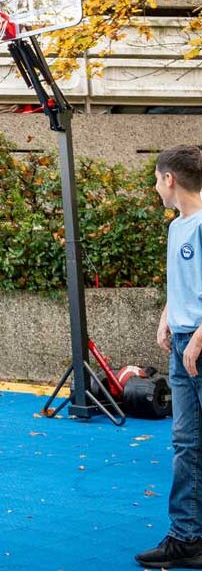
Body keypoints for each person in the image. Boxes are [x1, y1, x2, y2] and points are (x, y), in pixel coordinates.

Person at [135, 146, 202, 570]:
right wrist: (166, 318)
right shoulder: (177, 227)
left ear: (170, 179)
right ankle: (187, 537)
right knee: (186, 444)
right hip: (182, 343)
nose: (156, 187)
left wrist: (198, 337)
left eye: (157, 179)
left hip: (198, 343)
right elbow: (182, 283)